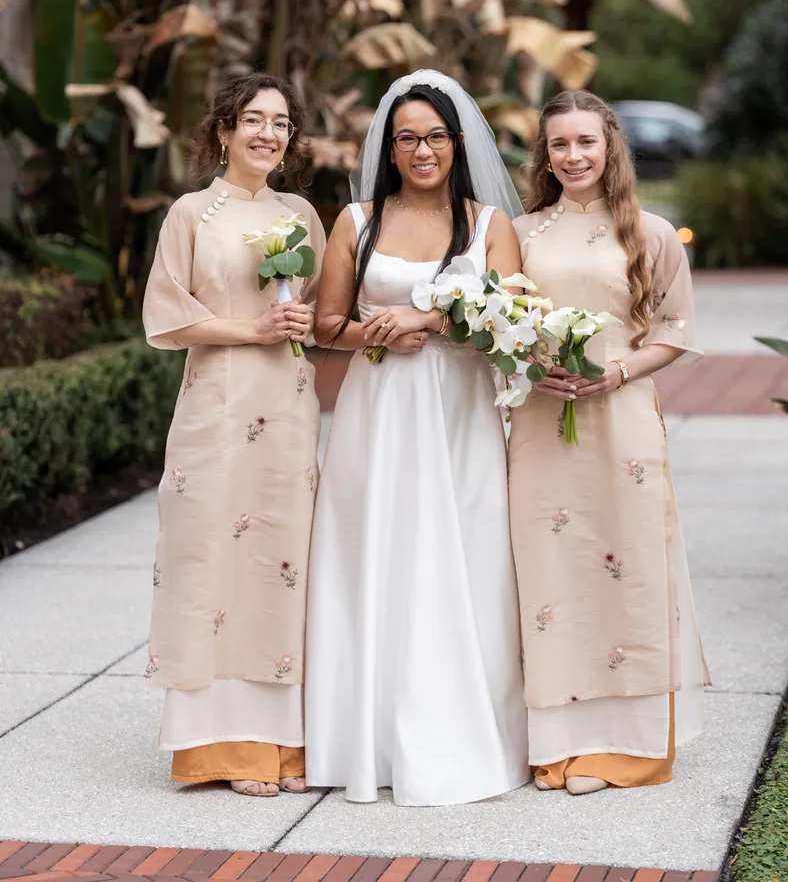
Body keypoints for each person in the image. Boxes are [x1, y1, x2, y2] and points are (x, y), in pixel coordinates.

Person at [304, 69, 529, 806]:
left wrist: (429, 321)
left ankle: (465, 734)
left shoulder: (491, 224)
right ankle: (366, 738)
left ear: (457, 143)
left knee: (463, 551)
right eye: (407, 138)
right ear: (389, 147)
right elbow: (324, 325)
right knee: (375, 551)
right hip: (379, 409)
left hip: (459, 411)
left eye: (435, 136)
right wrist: (376, 332)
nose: (422, 149)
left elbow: (509, 318)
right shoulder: (356, 221)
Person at [508, 90, 709, 795]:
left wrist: (617, 370)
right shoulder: (520, 232)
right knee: (550, 572)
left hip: (621, 420)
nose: (573, 156)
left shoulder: (648, 232)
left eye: (586, 142)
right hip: (542, 419)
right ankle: (559, 741)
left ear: (610, 147)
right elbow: (498, 329)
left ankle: (628, 746)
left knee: (627, 568)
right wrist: (534, 370)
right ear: (545, 154)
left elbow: (677, 331)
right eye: (559, 144)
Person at [142, 72, 326, 797]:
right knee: (208, 556)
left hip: (286, 406)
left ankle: (278, 742)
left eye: (281, 124)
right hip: (215, 404)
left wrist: (297, 323)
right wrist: (248, 328)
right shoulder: (192, 214)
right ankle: (213, 747)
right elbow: (165, 316)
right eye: (253, 119)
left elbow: (311, 305)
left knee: (279, 558)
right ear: (223, 130)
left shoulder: (301, 215)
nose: (267, 134)